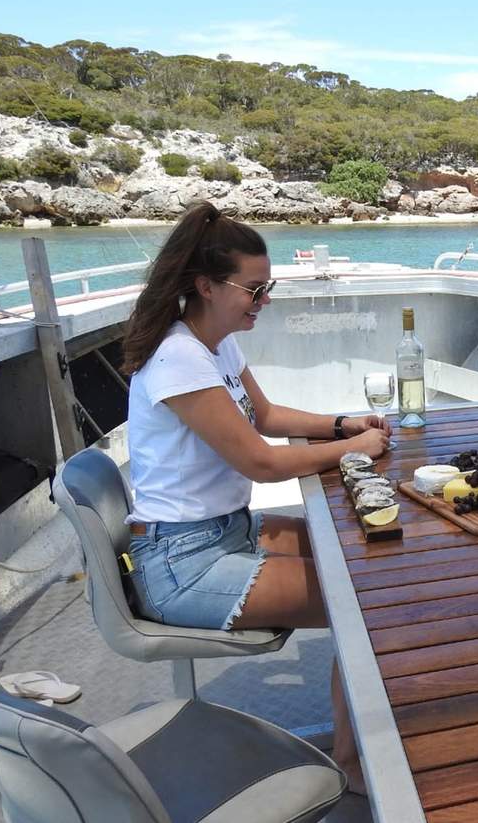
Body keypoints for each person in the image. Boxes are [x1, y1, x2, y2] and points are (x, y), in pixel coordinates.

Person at [120, 200, 389, 790]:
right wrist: (356, 451)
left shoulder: (216, 344)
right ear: (206, 286)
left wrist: (343, 424)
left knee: (361, 558)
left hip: (226, 531)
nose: (263, 302)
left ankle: (362, 745)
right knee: (363, 601)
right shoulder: (178, 358)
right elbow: (262, 461)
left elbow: (263, 414)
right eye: (255, 290)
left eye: (267, 289)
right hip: (183, 563)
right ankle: (352, 765)